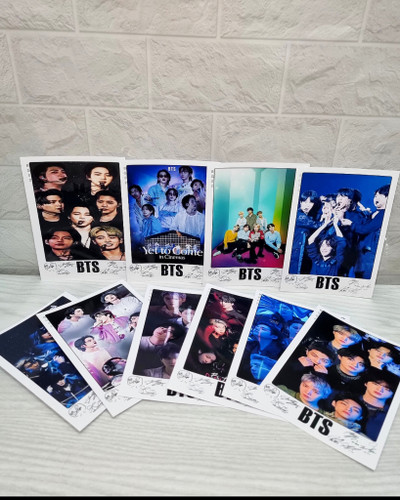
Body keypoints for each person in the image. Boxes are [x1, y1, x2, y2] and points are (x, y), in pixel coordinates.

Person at [352, 184, 390, 279]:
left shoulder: (385, 214)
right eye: (375, 196)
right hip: (361, 255)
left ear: (388, 197)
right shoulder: (374, 213)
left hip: (371, 254)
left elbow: (365, 229)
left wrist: (350, 224)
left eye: (379, 195)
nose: (376, 198)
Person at [361, 368, 398, 441]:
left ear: (393, 394)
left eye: (387, 388)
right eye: (376, 384)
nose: (380, 389)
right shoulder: (346, 399)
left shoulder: (392, 416)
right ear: (366, 383)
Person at [289, 190, 321, 274]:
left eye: (311, 202)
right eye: (305, 202)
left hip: (300, 252)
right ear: (300, 202)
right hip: (294, 252)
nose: (307, 205)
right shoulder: (299, 215)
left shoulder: (308, 216)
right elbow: (316, 225)